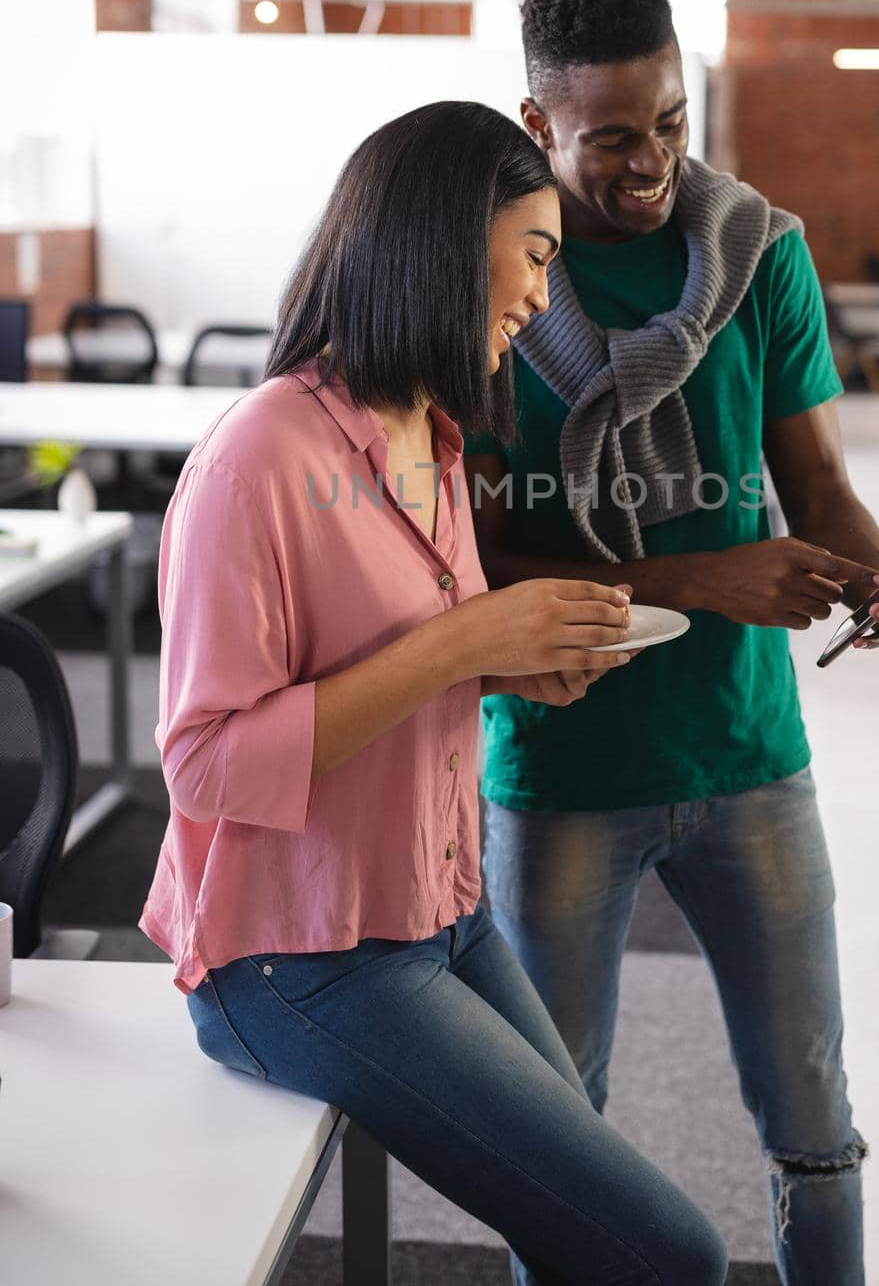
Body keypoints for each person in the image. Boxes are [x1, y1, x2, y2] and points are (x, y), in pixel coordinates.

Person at [138, 100, 730, 1286]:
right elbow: (203, 761)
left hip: (437, 915)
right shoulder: (261, 452)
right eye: (535, 255)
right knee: (672, 1254)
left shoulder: (436, 432)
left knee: (592, 1233)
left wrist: (510, 663)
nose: (540, 295)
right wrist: (466, 641)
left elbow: (410, 663)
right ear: (443, 244)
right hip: (294, 957)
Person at [463, 0, 879, 1286]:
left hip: (747, 758)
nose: (650, 164)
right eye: (611, 136)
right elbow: (467, 561)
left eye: (671, 123)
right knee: (556, 1136)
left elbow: (815, 492)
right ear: (535, 124)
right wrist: (703, 580)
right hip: (558, 763)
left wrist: (875, 576)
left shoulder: (757, 250)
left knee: (814, 1127)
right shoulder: (488, 277)